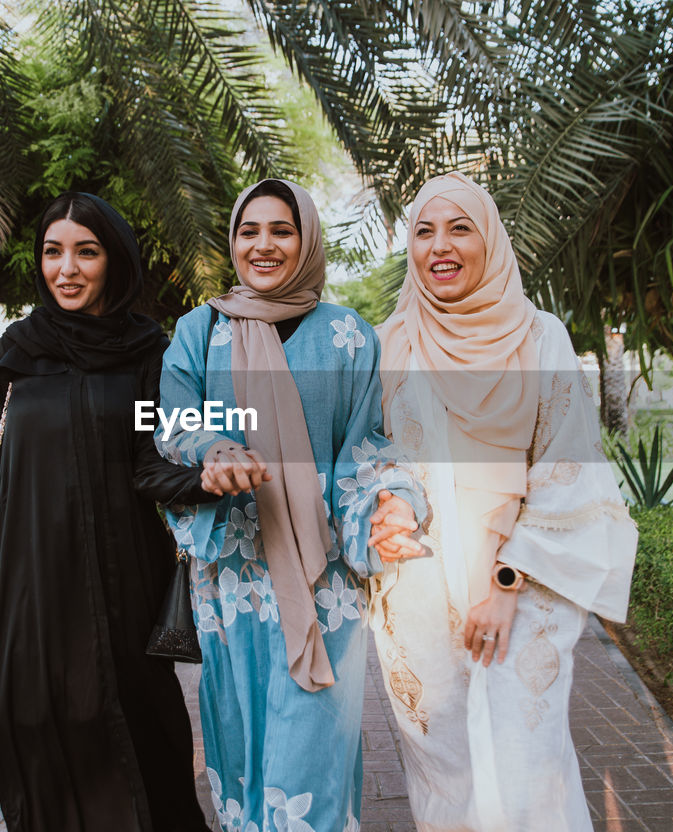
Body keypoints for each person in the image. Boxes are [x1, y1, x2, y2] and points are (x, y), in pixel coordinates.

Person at [368, 172, 638, 831]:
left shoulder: (539, 337)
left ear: (490, 239)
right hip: (417, 591)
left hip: (519, 591)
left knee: (527, 763)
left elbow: (566, 470)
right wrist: (379, 506)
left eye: (460, 227)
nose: (441, 245)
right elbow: (366, 458)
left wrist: (506, 582)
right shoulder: (387, 343)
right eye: (425, 231)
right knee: (441, 768)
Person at [0, 192, 215, 832]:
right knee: (39, 737)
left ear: (112, 260)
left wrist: (211, 477)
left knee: (144, 740)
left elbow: (152, 459)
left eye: (85, 252)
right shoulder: (14, 353)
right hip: (27, 589)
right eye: (53, 252)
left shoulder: (148, 350)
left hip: (123, 589)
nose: (67, 268)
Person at [156, 178, 424, 832]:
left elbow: (366, 448)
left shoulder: (350, 338)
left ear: (307, 241)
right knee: (239, 748)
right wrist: (213, 452)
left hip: (325, 586)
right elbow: (170, 424)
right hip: (233, 584)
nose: (264, 244)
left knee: (315, 768)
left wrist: (386, 507)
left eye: (282, 230)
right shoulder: (200, 331)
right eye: (250, 231)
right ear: (233, 241)